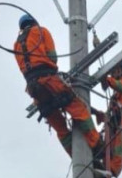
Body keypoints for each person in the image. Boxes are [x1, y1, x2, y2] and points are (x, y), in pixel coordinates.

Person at [14, 13, 101, 158]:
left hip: (34, 89)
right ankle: (97, 146)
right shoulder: (41, 31)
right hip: (49, 80)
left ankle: (76, 158)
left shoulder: (16, 44)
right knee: (77, 108)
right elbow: (52, 57)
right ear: (34, 21)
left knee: (60, 128)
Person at [95, 60, 122, 178]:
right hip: (116, 122)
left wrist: (106, 78)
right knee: (107, 143)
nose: (113, 73)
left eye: (115, 70)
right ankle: (103, 168)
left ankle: (113, 169)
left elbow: (119, 85)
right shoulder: (115, 96)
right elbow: (109, 114)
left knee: (120, 136)